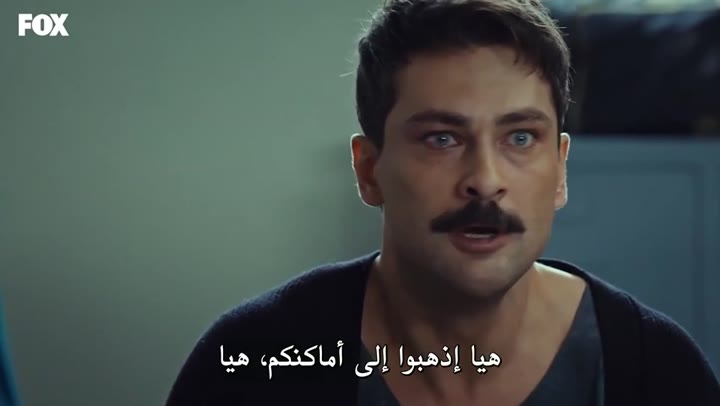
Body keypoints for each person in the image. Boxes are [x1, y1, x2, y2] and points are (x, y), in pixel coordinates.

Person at [166, 0, 720, 405]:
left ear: (560, 169)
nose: (484, 180)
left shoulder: (656, 371)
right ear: (369, 171)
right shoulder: (251, 363)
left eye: (520, 137)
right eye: (441, 139)